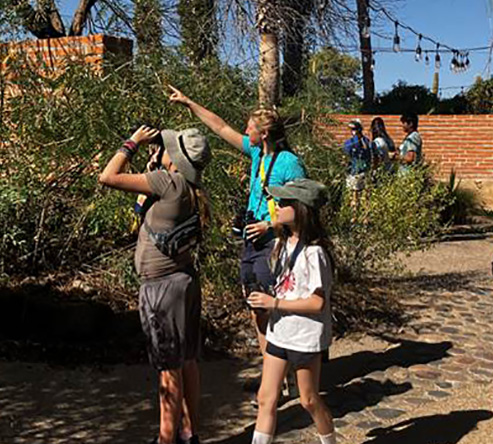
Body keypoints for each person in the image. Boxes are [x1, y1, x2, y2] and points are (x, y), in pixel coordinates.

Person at [168, 86, 306, 399]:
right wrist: (190, 101)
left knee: (278, 310)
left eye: (250, 128)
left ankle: (293, 378)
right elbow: (219, 127)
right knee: (258, 309)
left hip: (275, 245)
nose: (245, 131)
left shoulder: (290, 163)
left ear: (265, 132)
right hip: (251, 243)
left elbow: (303, 207)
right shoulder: (257, 153)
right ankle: (273, 378)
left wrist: (270, 223)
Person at [99, 125, 211, 444]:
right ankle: (189, 433)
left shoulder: (168, 182)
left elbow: (107, 177)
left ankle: (165, 439)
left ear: (175, 159)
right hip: (184, 281)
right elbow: (140, 212)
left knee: (168, 367)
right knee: (187, 360)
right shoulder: (186, 187)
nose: (159, 149)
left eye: (165, 147)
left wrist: (132, 142)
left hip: (162, 290)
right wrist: (151, 168)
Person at [246, 178, 336, 444]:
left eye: (284, 203)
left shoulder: (315, 253)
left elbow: (317, 303)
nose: (277, 206)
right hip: (280, 333)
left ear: (301, 209)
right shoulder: (282, 244)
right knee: (266, 397)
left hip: (304, 337)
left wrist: (273, 304)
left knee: (309, 400)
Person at [342, 119, 373, 214]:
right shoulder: (366, 141)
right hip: (364, 171)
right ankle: (363, 218)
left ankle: (355, 217)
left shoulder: (352, 142)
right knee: (364, 198)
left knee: (355, 197)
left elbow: (345, 157)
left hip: (355, 172)